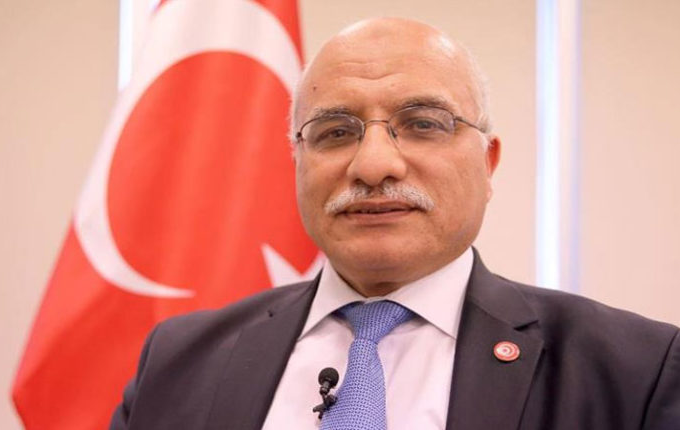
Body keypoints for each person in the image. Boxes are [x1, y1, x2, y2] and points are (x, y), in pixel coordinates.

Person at [109, 18, 679, 430]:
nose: (374, 165)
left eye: (423, 123)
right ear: (297, 164)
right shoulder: (178, 360)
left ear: (488, 164)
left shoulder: (634, 372)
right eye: (335, 132)